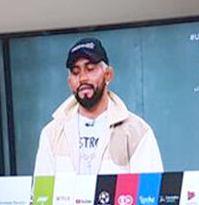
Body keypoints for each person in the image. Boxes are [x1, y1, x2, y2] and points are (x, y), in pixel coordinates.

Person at [33, 37, 164, 176]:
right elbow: (42, 189)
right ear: (69, 82)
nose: (83, 78)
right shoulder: (52, 134)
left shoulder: (137, 132)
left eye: (90, 69)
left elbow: (150, 188)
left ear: (108, 75)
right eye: (76, 72)